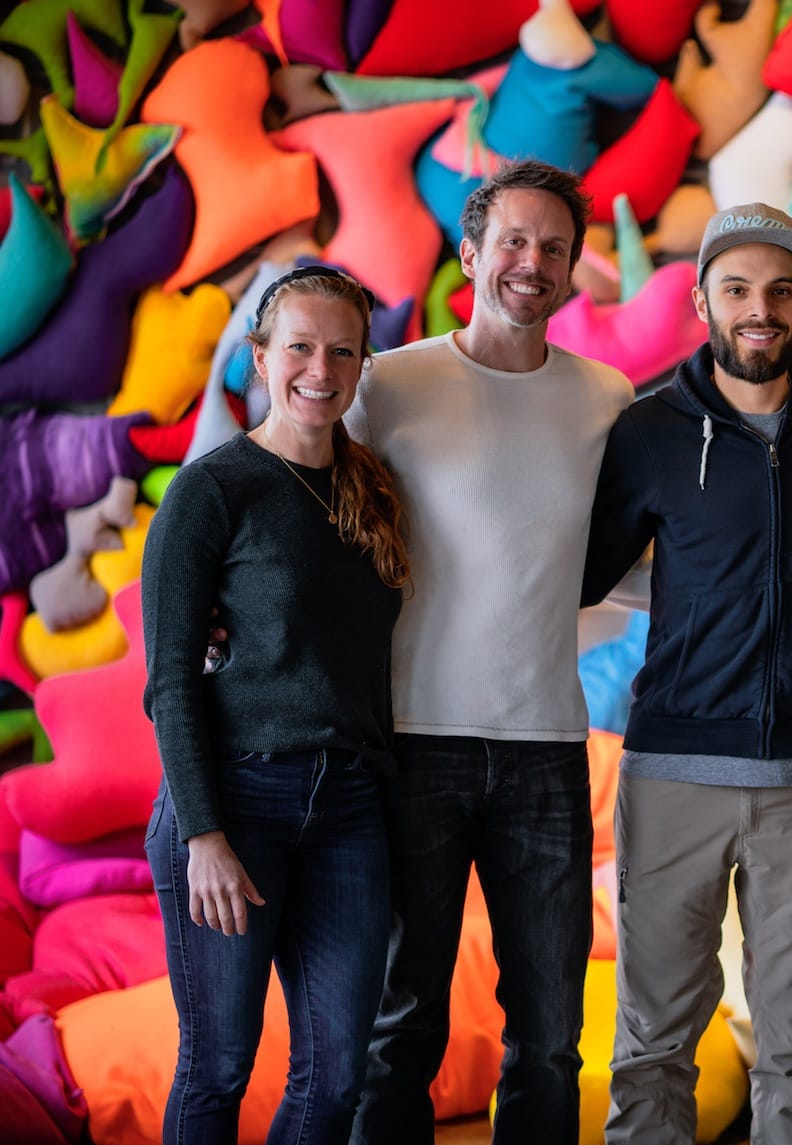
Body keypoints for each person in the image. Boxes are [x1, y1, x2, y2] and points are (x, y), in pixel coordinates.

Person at [347, 161, 633, 1145]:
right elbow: (305, 513)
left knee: (551, 1037)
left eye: (554, 247)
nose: (533, 262)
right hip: (412, 740)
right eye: (514, 240)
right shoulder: (386, 382)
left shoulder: (607, 396)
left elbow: (628, 559)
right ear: (469, 253)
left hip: (548, 747)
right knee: (401, 1024)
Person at [581, 203, 792, 1145]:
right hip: (673, 774)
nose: (760, 308)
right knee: (654, 1043)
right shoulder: (651, 428)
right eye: (738, 288)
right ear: (703, 297)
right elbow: (578, 573)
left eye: (780, 291)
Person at [142, 267, 409, 1143]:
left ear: (364, 364)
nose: (320, 369)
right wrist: (203, 835)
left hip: (349, 811)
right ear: (260, 358)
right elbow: (171, 680)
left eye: (342, 350)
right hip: (235, 804)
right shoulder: (210, 491)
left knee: (335, 1078)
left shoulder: (373, 488)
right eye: (299, 346)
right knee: (218, 1066)